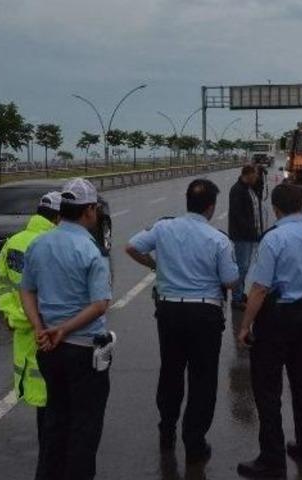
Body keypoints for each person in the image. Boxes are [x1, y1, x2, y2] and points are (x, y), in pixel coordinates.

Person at [125, 179, 238, 464]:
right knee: (203, 378)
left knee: (171, 371)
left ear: (188, 202)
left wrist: (155, 265)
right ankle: (194, 442)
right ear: (211, 207)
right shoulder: (218, 239)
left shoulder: (164, 228)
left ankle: (167, 429)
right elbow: (230, 280)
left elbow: (131, 247)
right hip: (205, 315)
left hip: (169, 312)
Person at [20, 178, 113, 480]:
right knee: (85, 427)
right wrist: (63, 329)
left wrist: (40, 328)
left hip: (49, 350)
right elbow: (100, 304)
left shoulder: (39, 243)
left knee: (55, 421)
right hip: (83, 350)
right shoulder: (90, 250)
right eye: (95, 209)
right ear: (88, 210)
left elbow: (26, 290)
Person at [236, 183, 302, 478]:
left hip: (278, 316)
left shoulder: (273, 239)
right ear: (300, 205)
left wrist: (245, 325)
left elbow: (260, 288)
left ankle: (271, 459)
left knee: (267, 388)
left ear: (275, 208)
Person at [0, 191, 62, 465]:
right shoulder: (54, 243)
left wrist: (15, 319)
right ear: (58, 216)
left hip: (23, 336)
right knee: (58, 411)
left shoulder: (13, 243)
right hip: (52, 335)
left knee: (43, 413)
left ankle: (47, 461)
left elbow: (1, 287)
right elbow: (59, 297)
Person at [228, 165, 263, 310]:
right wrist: (250, 231)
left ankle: (240, 293)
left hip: (250, 235)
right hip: (243, 236)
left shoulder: (250, 189)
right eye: (255, 175)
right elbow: (238, 215)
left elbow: (259, 198)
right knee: (242, 267)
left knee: (245, 266)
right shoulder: (238, 190)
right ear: (247, 175)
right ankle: (236, 298)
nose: (257, 178)